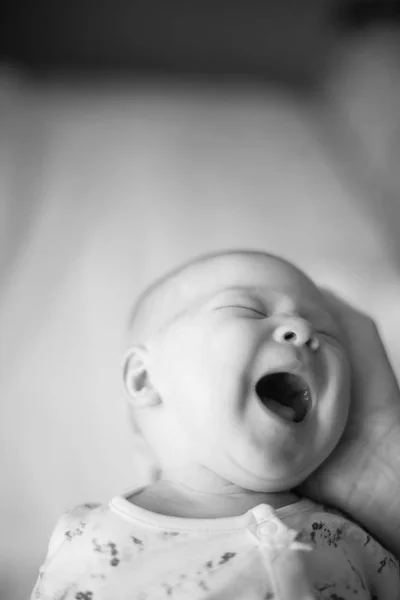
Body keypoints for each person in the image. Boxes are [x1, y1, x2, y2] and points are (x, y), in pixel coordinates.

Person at [31, 250, 400, 600]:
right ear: (144, 378)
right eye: (249, 309)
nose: (304, 331)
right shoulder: (91, 540)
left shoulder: (360, 539)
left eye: (327, 334)